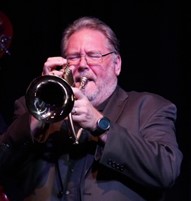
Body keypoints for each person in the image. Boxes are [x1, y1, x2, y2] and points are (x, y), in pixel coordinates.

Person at [0, 16, 183, 201]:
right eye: (73, 57)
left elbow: (166, 171)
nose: (82, 65)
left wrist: (100, 124)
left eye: (94, 55)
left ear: (116, 64)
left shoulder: (149, 107)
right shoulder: (30, 107)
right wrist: (38, 111)